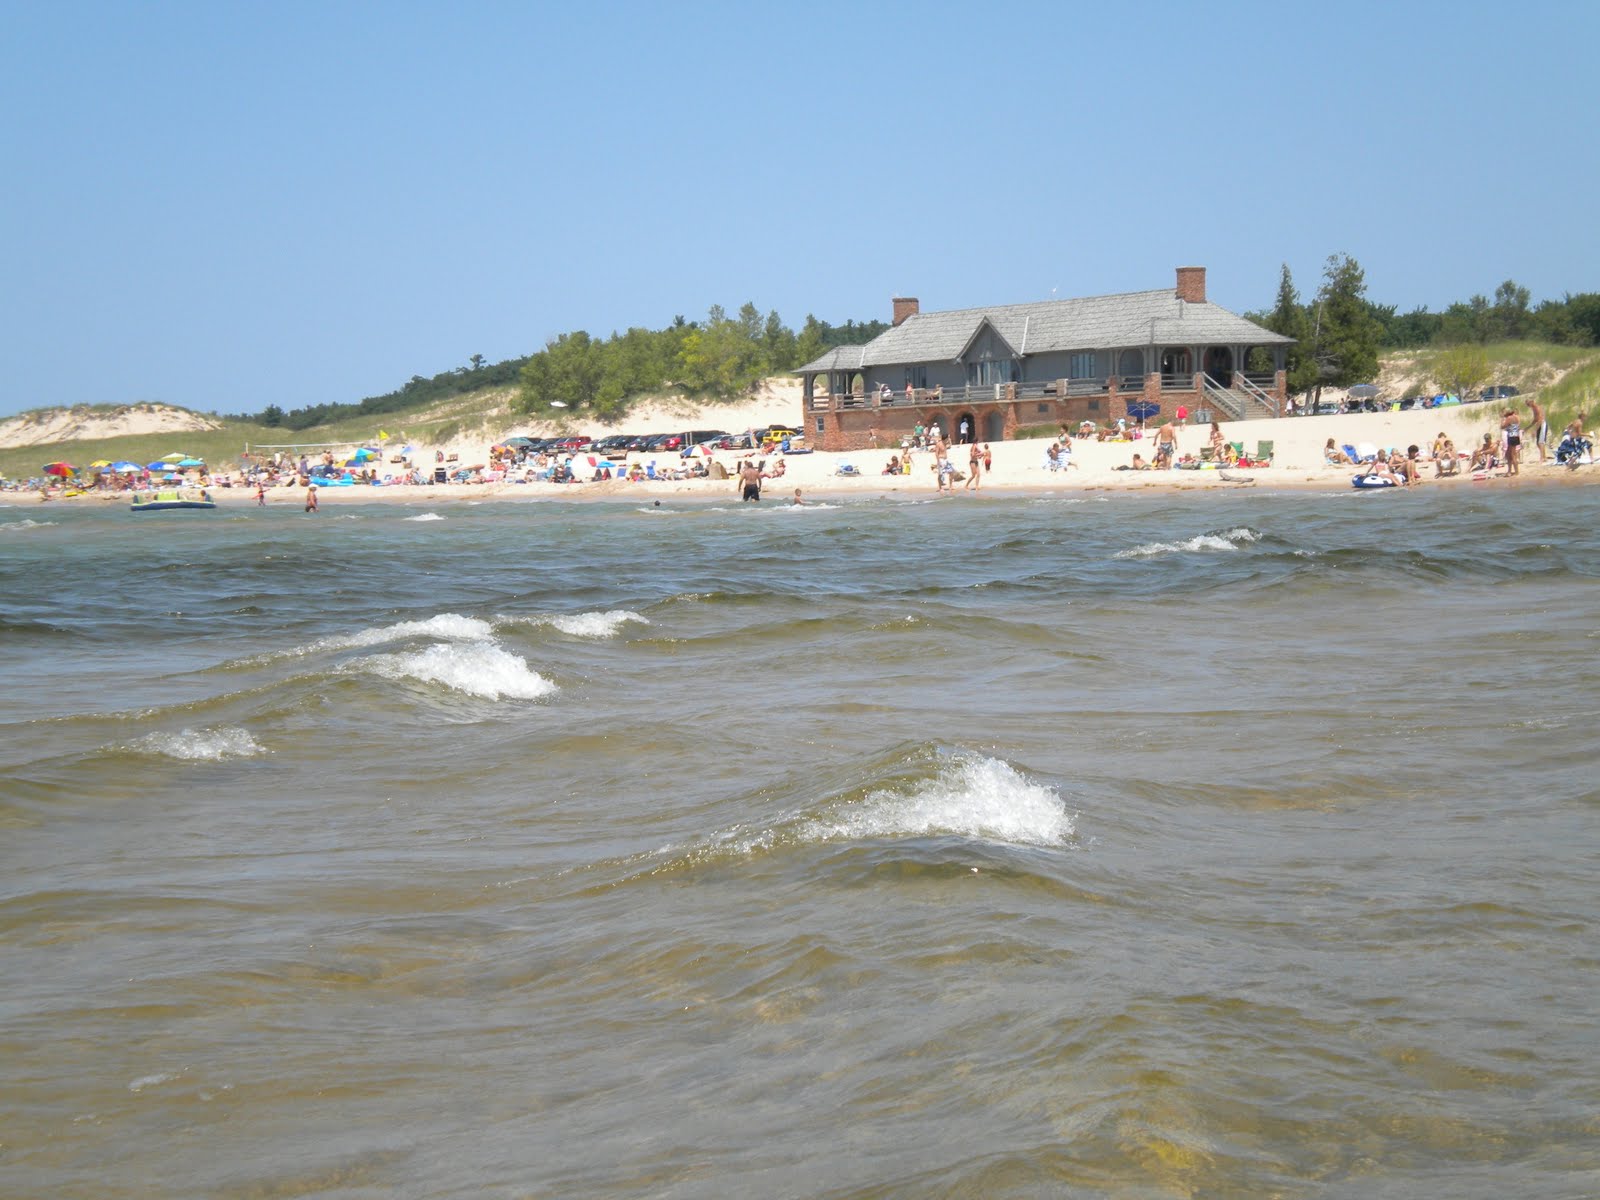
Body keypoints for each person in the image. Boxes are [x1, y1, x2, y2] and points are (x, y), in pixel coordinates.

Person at [1501, 408, 1522, 476]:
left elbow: (1502, 426)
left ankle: (1516, 472)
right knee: (1508, 454)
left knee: (1513, 455)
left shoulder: (1509, 418)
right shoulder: (1516, 417)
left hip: (1512, 437)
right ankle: (1509, 471)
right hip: (1516, 436)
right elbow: (1518, 425)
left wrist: (1502, 420)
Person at [1527, 396, 1547, 463]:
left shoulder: (1537, 408)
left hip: (1542, 424)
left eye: (1528, 404)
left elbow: (1540, 419)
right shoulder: (1534, 408)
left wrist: (1535, 430)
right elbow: (1535, 420)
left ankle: (1542, 458)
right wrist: (1528, 427)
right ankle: (1544, 457)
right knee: (1538, 443)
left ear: (1532, 402)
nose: (1528, 405)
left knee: (1540, 442)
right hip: (1539, 424)